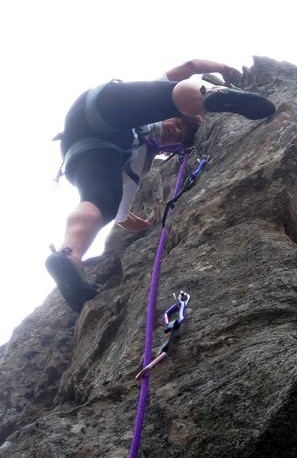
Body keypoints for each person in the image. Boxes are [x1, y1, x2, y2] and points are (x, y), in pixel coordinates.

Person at [45, 59, 276, 312]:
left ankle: (69, 255)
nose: (177, 131)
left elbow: (120, 213)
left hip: (84, 146)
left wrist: (148, 227)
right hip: (107, 109)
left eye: (182, 136)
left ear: (167, 151)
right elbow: (190, 66)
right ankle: (211, 94)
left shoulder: (139, 163)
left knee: (100, 201)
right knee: (169, 96)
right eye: (181, 124)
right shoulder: (145, 135)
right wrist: (223, 69)